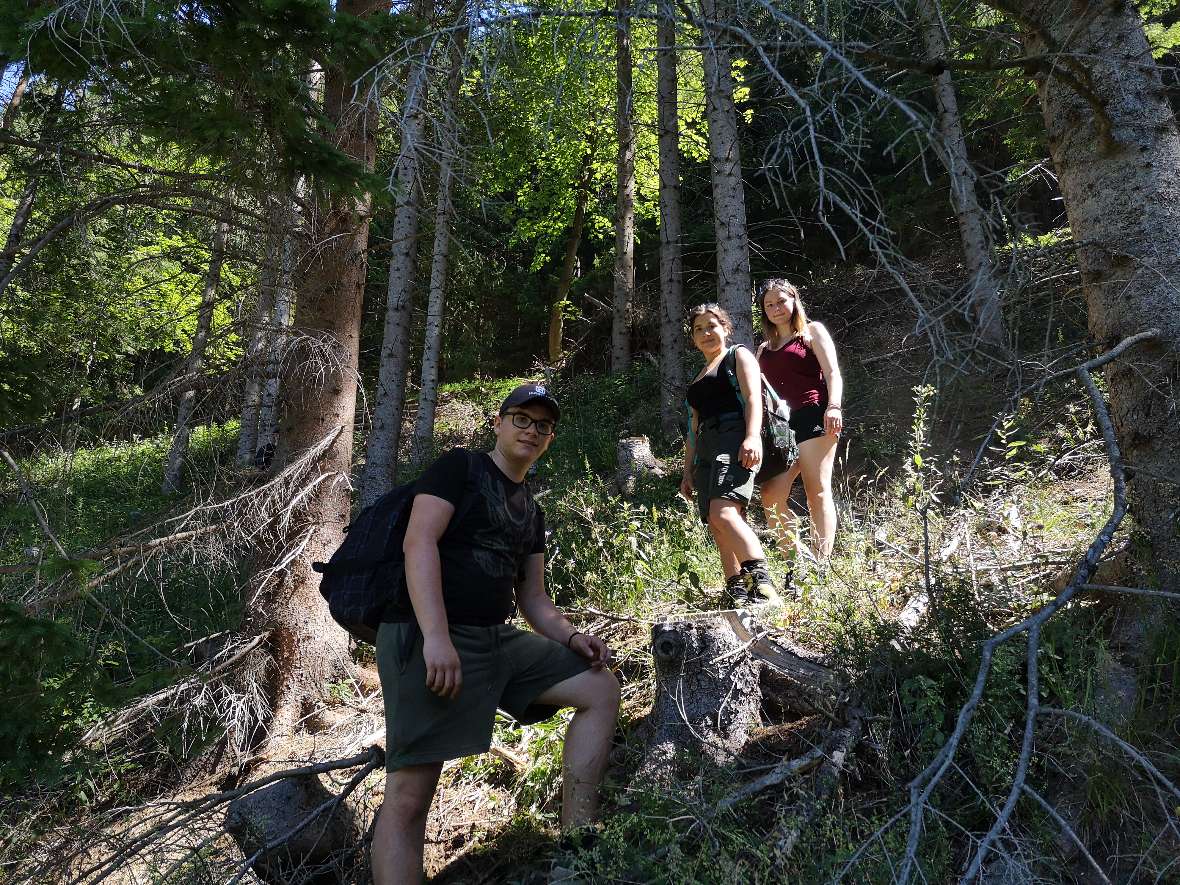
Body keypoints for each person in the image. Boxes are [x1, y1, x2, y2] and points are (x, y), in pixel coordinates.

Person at [371, 383, 620, 885]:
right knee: (411, 793)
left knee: (599, 686)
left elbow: (533, 599)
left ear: (550, 438)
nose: (531, 430)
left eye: (542, 425)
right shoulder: (458, 469)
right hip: (424, 636)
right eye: (521, 419)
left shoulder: (531, 509)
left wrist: (572, 638)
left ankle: (577, 851)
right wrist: (436, 638)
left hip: (493, 639)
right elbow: (419, 543)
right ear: (499, 422)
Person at [679, 304, 780, 607]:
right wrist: (687, 471)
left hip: (734, 436)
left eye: (712, 325)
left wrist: (751, 437)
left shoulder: (738, 355)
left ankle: (762, 584)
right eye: (699, 329)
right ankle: (735, 585)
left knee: (723, 512)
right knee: (716, 520)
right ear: (693, 338)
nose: (706, 333)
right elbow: (692, 430)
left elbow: (752, 398)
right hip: (707, 448)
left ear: (725, 327)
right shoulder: (697, 378)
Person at [755, 279, 844, 573]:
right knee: (771, 493)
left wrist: (834, 406)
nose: (776, 308)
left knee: (816, 489)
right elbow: (757, 394)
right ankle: (796, 561)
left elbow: (833, 373)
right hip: (780, 427)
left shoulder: (811, 332)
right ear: (763, 310)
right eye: (769, 304)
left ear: (793, 300)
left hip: (814, 415)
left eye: (781, 301)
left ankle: (822, 562)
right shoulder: (763, 350)